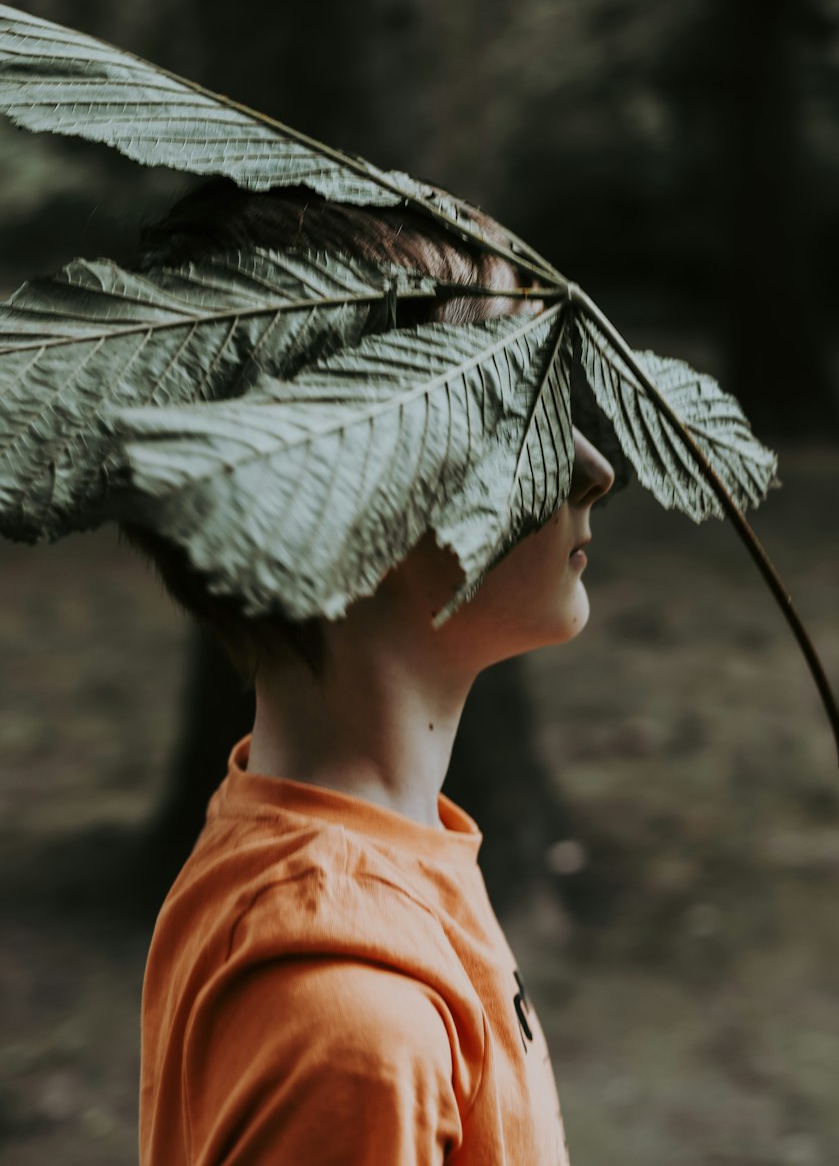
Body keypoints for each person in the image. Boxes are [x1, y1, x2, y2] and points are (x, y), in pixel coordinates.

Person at [135, 181, 615, 1165]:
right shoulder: (354, 1027)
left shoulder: (358, 856)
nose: (594, 465)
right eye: (519, 398)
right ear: (366, 499)